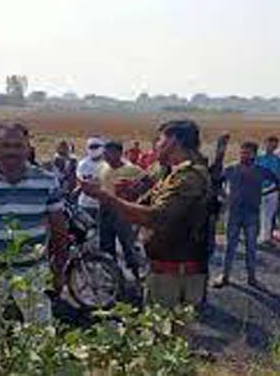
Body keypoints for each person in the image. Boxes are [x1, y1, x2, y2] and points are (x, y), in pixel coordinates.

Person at [79, 120, 211, 309]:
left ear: (173, 142)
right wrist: (129, 194)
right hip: (167, 271)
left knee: (165, 326)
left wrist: (104, 197)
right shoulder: (171, 172)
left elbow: (154, 218)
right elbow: (144, 203)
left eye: (160, 140)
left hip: (175, 276)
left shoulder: (188, 177)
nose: (157, 145)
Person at [0, 123, 69, 323]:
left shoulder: (47, 181)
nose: (12, 151)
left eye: (18, 145)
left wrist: (58, 271)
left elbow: (59, 230)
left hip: (33, 271)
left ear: (28, 148)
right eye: (5, 145)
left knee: (39, 330)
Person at [213, 141, 280, 289]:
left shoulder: (261, 171)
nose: (244, 155)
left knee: (251, 248)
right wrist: (224, 196)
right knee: (230, 247)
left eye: (247, 153)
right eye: (242, 152)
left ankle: (252, 278)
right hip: (233, 213)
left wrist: (264, 193)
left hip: (252, 213)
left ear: (254, 155)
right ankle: (225, 276)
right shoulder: (231, 168)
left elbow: (279, 183)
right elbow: (216, 183)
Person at [97, 140, 146, 279]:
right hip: (104, 209)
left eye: (108, 153)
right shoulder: (103, 167)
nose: (105, 156)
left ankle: (136, 276)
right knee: (106, 245)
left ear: (119, 153)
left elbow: (148, 184)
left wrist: (132, 192)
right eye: (104, 153)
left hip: (122, 211)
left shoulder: (132, 169)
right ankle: (111, 277)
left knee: (127, 244)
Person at [257, 136, 280, 243]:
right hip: (259, 188)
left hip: (272, 188)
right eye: (270, 144)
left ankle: (266, 237)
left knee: (269, 214)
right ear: (265, 144)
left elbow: (279, 174)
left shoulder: (277, 159)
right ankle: (257, 236)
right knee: (259, 213)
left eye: (274, 145)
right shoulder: (259, 157)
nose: (272, 147)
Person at [76, 136, 106, 221]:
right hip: (85, 204)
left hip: (102, 205)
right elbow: (81, 181)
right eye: (91, 147)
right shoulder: (83, 164)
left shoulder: (108, 164)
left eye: (96, 146)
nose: (93, 149)